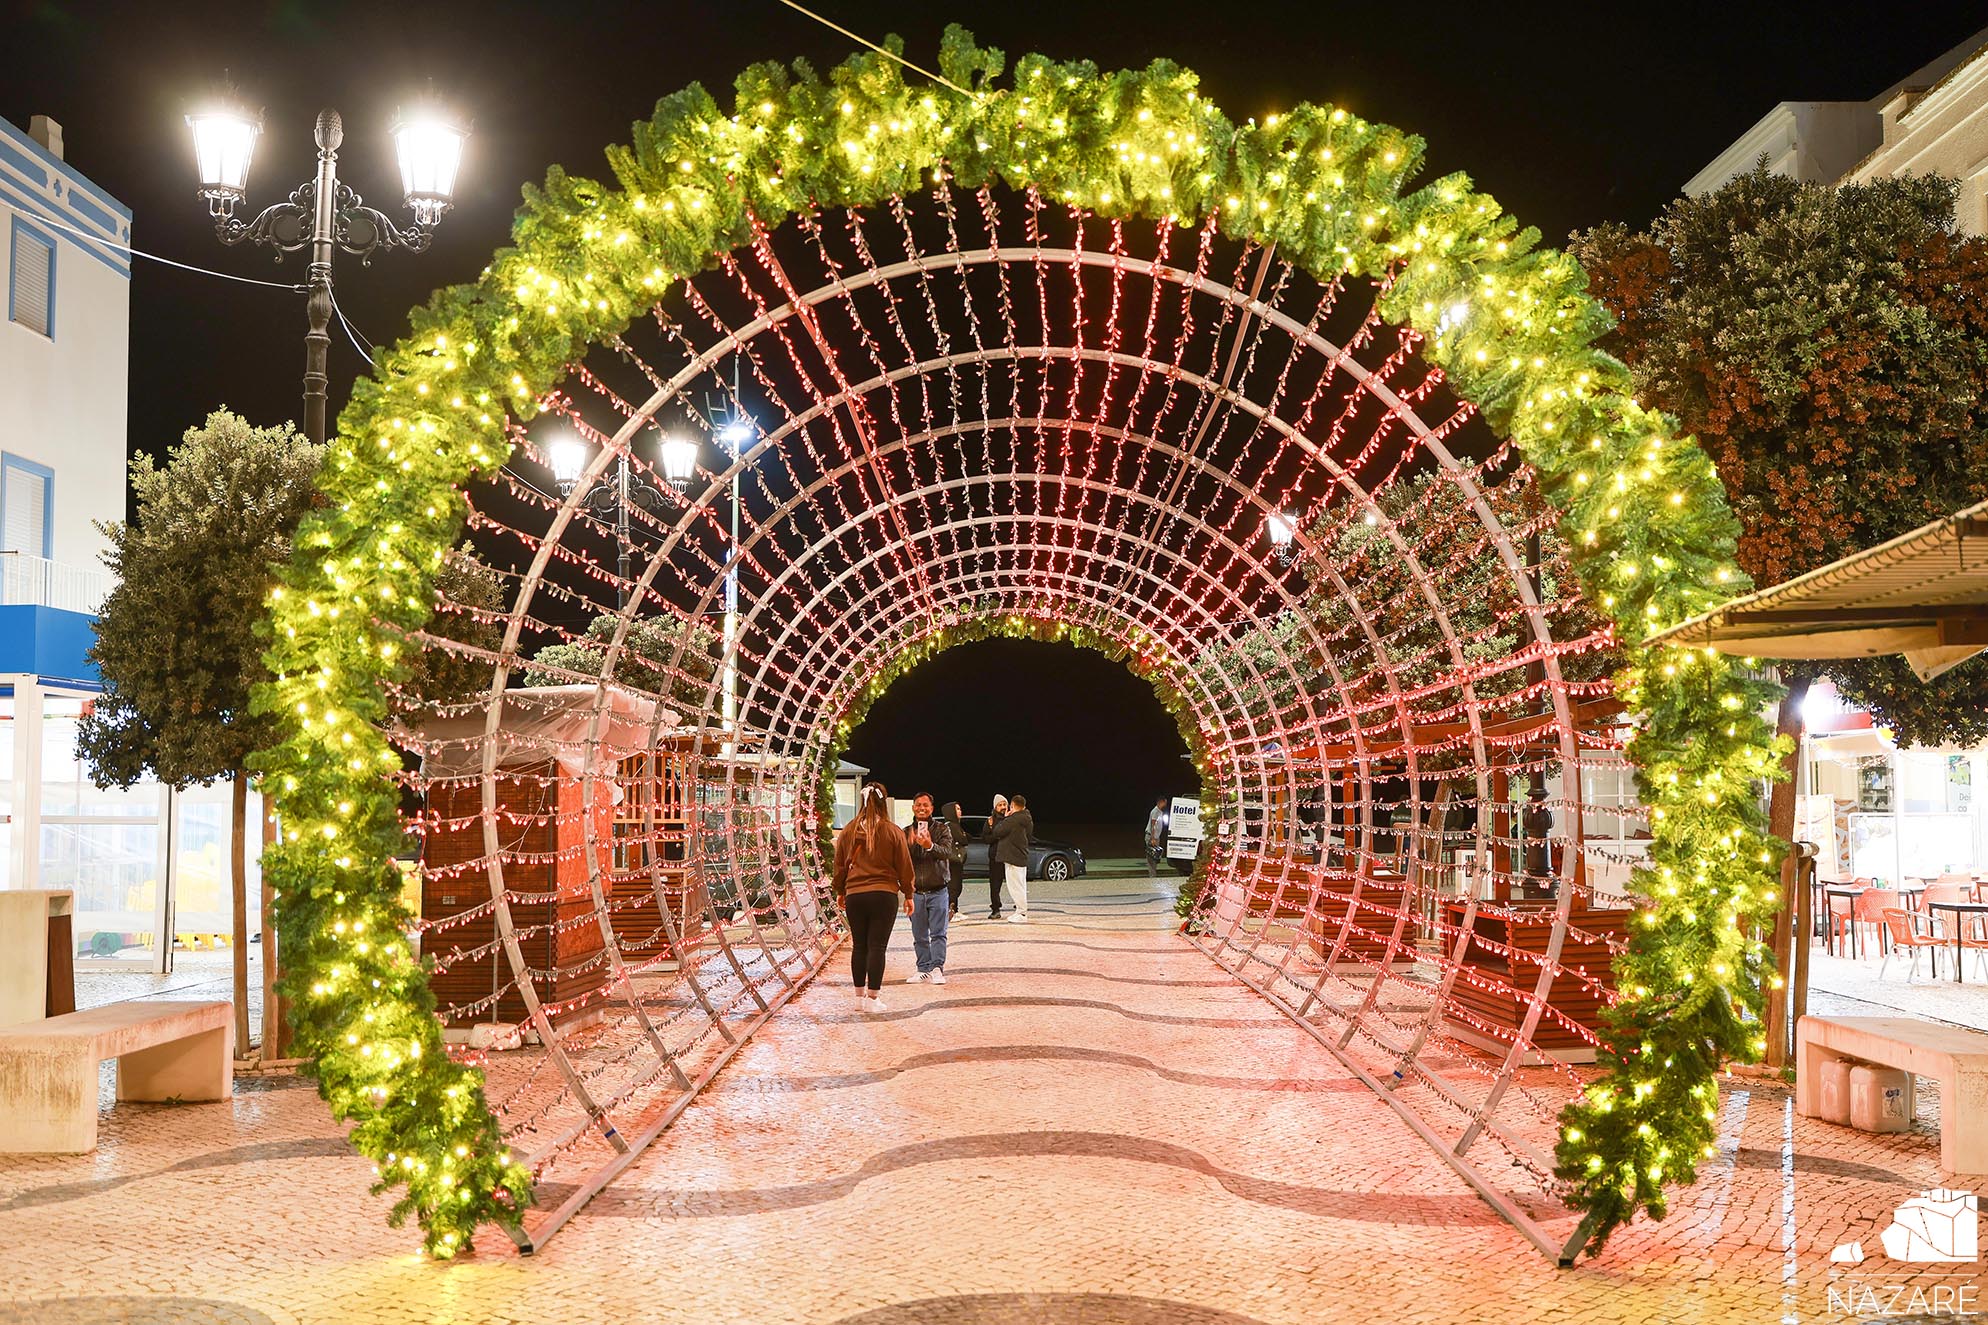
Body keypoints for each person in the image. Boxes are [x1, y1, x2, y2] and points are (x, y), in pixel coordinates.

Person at [831, 782, 914, 1011]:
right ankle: (873, 999)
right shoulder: (891, 830)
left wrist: (840, 891)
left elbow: (839, 865)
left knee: (859, 946)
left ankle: (858, 999)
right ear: (883, 802)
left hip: (855, 895)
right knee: (877, 946)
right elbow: (905, 866)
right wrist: (908, 894)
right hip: (883, 894)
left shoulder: (848, 830)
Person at [905, 792, 956, 984]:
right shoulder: (906, 831)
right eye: (918, 805)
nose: (921, 808)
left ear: (932, 808)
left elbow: (947, 853)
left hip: (938, 890)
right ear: (913, 807)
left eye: (925, 805)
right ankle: (922, 968)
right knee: (919, 935)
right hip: (916, 892)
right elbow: (903, 861)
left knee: (938, 933)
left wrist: (929, 845)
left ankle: (937, 968)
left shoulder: (943, 829)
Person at [988, 793, 1035, 923]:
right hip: (1021, 855)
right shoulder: (1027, 818)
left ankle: (1021, 913)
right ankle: (1021, 911)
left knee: (1015, 886)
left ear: (1013, 805)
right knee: (1021, 885)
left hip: (1013, 857)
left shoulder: (1013, 819)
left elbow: (997, 831)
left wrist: (1006, 818)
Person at [981, 793, 1010, 920]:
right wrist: (997, 835)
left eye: (1004, 804)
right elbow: (985, 838)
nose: (1003, 807)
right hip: (996, 857)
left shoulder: (1012, 818)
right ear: (995, 807)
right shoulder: (990, 821)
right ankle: (995, 908)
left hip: (1010, 855)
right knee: (995, 885)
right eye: (1000, 805)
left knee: (1014, 882)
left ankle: (1019, 907)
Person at [941, 800, 968, 918]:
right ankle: (950, 911)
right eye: (957, 809)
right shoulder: (952, 825)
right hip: (953, 860)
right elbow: (964, 840)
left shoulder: (952, 825)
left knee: (955, 885)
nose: (960, 811)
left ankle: (954, 910)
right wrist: (964, 836)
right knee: (954, 886)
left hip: (952, 860)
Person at [1145, 796, 1170, 879]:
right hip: (1152, 837)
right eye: (1165, 802)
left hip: (1155, 837)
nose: (1165, 804)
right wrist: (1152, 838)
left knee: (1155, 856)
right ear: (1161, 802)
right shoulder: (1155, 811)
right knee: (1151, 857)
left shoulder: (1159, 811)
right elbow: (1153, 825)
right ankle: (1152, 875)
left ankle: (1153, 874)